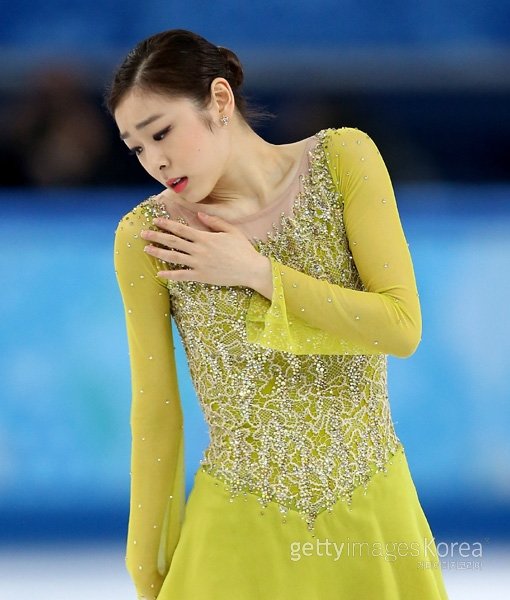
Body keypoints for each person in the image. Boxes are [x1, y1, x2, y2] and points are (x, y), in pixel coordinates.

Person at [107, 29, 449, 600]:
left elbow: (401, 326)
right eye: (137, 148)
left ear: (219, 100)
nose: (156, 161)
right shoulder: (148, 236)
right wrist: (145, 562)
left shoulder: (343, 161)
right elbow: (157, 409)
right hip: (233, 529)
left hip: (368, 516)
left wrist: (257, 273)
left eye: (161, 132)